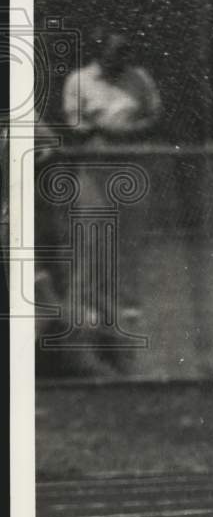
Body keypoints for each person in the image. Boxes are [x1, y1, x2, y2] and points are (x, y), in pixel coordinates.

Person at [62, 31, 161, 331]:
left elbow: (155, 116)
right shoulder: (79, 81)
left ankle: (128, 304)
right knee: (92, 238)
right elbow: (76, 127)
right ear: (101, 52)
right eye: (116, 52)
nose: (122, 58)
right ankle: (86, 304)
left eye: (125, 52)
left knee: (129, 239)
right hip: (96, 171)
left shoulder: (139, 78)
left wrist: (129, 132)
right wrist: (106, 130)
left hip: (131, 169)